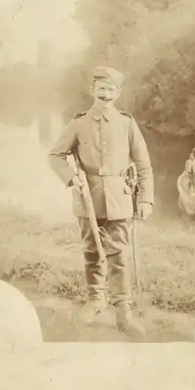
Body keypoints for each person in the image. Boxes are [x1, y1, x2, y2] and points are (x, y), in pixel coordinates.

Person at [48, 66, 154, 337]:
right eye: (101, 88)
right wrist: (72, 178)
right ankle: (95, 299)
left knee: (118, 254)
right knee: (92, 250)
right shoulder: (79, 123)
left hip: (120, 197)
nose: (106, 94)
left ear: (118, 93)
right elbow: (55, 155)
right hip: (88, 196)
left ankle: (123, 310)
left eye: (111, 89)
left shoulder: (127, 123)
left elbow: (143, 165)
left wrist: (145, 199)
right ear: (92, 90)